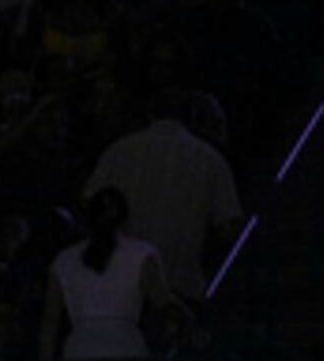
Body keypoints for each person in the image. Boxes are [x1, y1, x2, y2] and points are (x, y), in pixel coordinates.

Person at [81, 97, 241, 289]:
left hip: (120, 283)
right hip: (180, 284)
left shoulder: (118, 151)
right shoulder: (210, 159)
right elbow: (228, 228)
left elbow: (88, 205)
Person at [43, 190, 172, 361]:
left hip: (80, 350)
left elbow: (50, 322)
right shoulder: (141, 255)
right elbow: (162, 302)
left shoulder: (64, 260)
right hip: (126, 348)